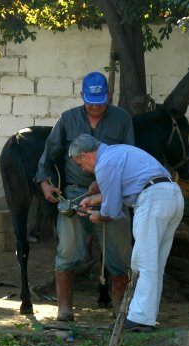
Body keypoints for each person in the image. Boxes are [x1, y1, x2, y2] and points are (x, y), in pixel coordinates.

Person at [35, 71, 134, 322]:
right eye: (90, 101)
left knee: (121, 253)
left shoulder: (122, 119)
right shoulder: (67, 119)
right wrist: (44, 183)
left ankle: (119, 310)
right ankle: (65, 309)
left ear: (109, 96)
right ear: (81, 96)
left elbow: (129, 156)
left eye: (100, 102)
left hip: (113, 193)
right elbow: (49, 152)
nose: (95, 106)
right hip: (74, 195)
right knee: (67, 249)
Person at [68, 134, 184, 332]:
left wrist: (97, 216)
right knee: (156, 262)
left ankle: (139, 318)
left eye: (80, 164)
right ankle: (146, 316)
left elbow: (112, 211)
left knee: (142, 261)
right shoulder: (117, 152)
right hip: (172, 195)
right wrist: (94, 200)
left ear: (86, 156)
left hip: (152, 200)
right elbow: (124, 187)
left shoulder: (104, 164)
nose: (83, 169)